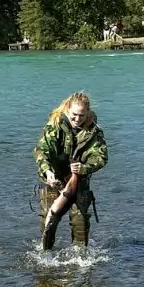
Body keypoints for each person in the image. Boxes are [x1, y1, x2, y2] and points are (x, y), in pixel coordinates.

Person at [33, 91, 108, 248]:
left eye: (82, 116)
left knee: (80, 222)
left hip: (79, 180)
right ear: (67, 109)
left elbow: (101, 158)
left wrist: (85, 167)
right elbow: (42, 151)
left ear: (88, 113)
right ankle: (45, 256)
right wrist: (48, 172)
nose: (77, 119)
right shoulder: (54, 125)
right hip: (53, 180)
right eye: (74, 115)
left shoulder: (94, 132)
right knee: (49, 221)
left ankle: (80, 260)